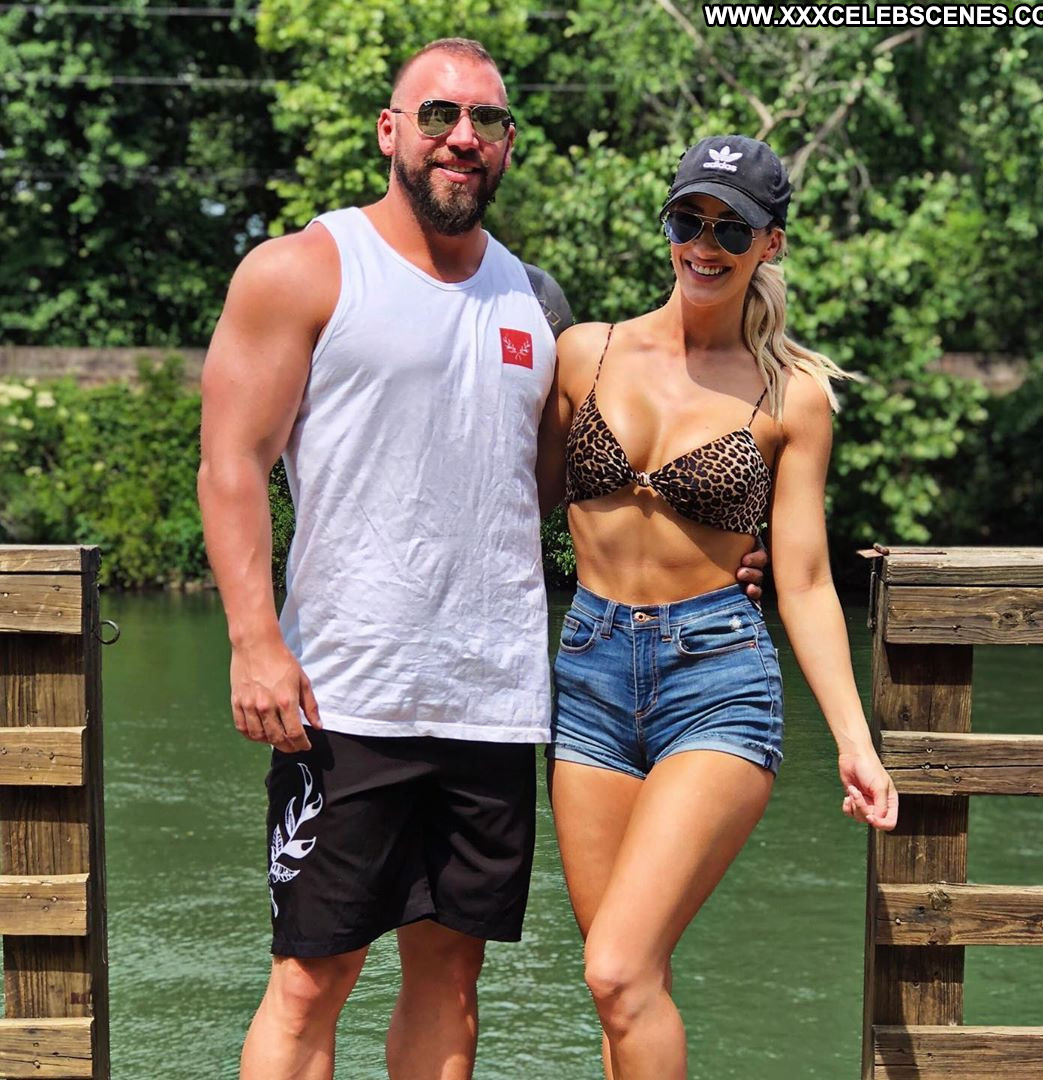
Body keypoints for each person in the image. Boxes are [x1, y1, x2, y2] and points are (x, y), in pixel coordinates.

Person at [199, 37, 769, 1080]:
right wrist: (252, 641)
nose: (463, 137)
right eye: (438, 115)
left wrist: (722, 554)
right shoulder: (303, 269)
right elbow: (231, 463)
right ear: (391, 131)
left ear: (508, 144)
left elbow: (573, 485)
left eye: (487, 121)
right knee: (310, 980)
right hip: (344, 695)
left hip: (495, 704)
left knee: (450, 979)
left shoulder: (537, 307)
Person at [534, 135, 899, 1080]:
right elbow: (518, 503)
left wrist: (854, 742)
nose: (704, 244)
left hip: (717, 678)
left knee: (618, 970)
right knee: (623, 984)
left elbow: (806, 582)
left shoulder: (793, 394)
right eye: (687, 220)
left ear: (769, 244)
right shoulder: (584, 353)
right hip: (589, 675)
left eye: (730, 229)